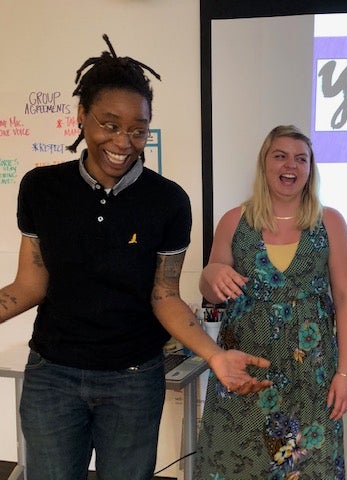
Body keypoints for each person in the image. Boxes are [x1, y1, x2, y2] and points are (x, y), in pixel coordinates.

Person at [0, 34, 270, 480]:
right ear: (82, 117)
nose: (124, 141)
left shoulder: (167, 201)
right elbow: (31, 284)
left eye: (138, 129)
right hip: (53, 377)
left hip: (132, 380)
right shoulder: (41, 188)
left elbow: (164, 295)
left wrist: (215, 356)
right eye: (110, 124)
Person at [195, 125, 347, 479]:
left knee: (309, 466)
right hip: (245, 368)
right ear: (264, 164)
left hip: (311, 374)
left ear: (310, 169)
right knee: (236, 461)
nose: (291, 166)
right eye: (281, 156)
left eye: (301, 159)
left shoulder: (329, 221)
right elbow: (210, 287)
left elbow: (346, 299)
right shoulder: (234, 220)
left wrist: (346, 374)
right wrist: (211, 274)